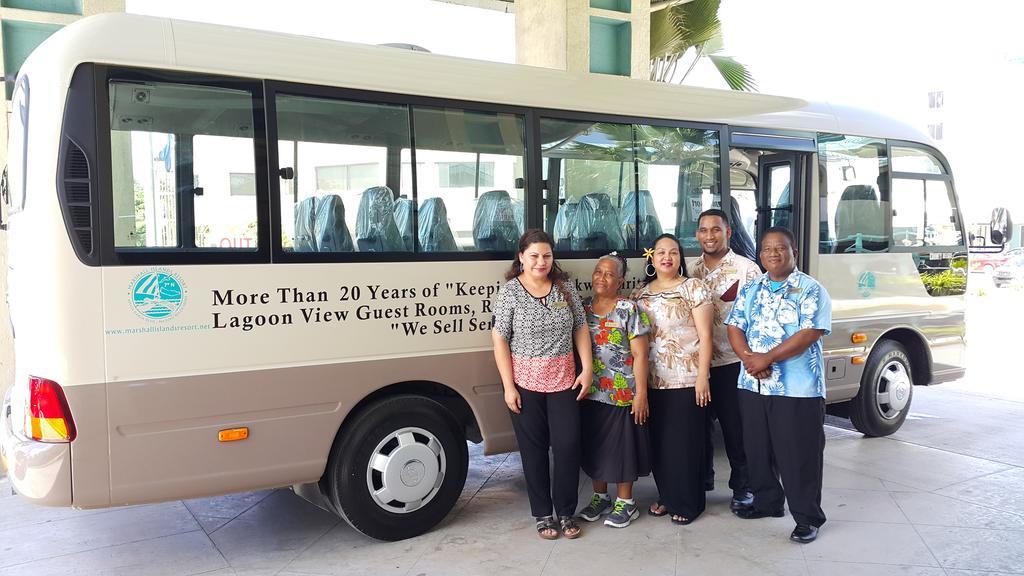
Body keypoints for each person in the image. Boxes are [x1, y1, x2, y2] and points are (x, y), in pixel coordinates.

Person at [725, 226, 832, 544]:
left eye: (780, 248)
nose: (773, 253)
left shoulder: (811, 289)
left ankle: (807, 518)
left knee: (798, 454)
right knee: (757, 450)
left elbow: (810, 332)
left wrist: (766, 358)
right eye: (767, 249)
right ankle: (767, 503)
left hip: (796, 389)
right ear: (760, 254)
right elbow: (735, 325)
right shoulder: (752, 287)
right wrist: (748, 358)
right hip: (753, 384)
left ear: (793, 252)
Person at [491, 228, 593, 540]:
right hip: (525, 384)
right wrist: (509, 386)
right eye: (534, 255)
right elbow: (499, 338)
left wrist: (587, 369)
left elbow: (580, 327)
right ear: (521, 257)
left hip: (564, 380)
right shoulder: (510, 292)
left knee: (567, 446)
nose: (541, 262)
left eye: (546, 255)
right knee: (533, 451)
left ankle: (565, 511)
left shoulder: (564, 289)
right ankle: (543, 514)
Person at [634, 233, 714, 525]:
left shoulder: (693, 288)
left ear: (680, 259)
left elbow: (706, 336)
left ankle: (690, 503)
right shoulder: (640, 295)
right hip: (653, 380)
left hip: (687, 379)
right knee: (661, 443)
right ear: (651, 259)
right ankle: (668, 496)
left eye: (674, 253)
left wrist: (703, 376)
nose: (667, 257)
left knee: (685, 444)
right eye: (660, 253)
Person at [688, 209, 762, 510]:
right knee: (698, 427)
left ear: (728, 232)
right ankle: (702, 480)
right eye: (704, 230)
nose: (709, 235)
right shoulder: (690, 270)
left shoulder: (747, 270)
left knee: (736, 429)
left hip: (733, 363)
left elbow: (758, 318)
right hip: (698, 366)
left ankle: (743, 487)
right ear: (697, 235)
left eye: (716, 230)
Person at [577, 253, 652, 529]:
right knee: (594, 446)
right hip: (590, 391)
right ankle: (600, 498)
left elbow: (641, 355)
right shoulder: (583, 308)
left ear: (620, 280)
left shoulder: (629, 309)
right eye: (598, 272)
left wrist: (641, 393)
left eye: (609, 274)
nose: (601, 277)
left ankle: (626, 503)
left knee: (622, 449)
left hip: (623, 394)